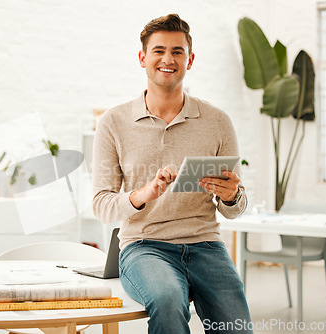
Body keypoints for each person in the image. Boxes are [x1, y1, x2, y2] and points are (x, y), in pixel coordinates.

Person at [92, 14, 253, 334]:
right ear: (142, 58)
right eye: (159, 50)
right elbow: (101, 204)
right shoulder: (113, 122)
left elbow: (235, 208)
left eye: (177, 51)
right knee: (168, 301)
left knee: (237, 329)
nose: (168, 59)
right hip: (143, 247)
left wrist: (231, 195)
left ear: (190, 60)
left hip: (205, 244)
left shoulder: (217, 121)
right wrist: (144, 194)